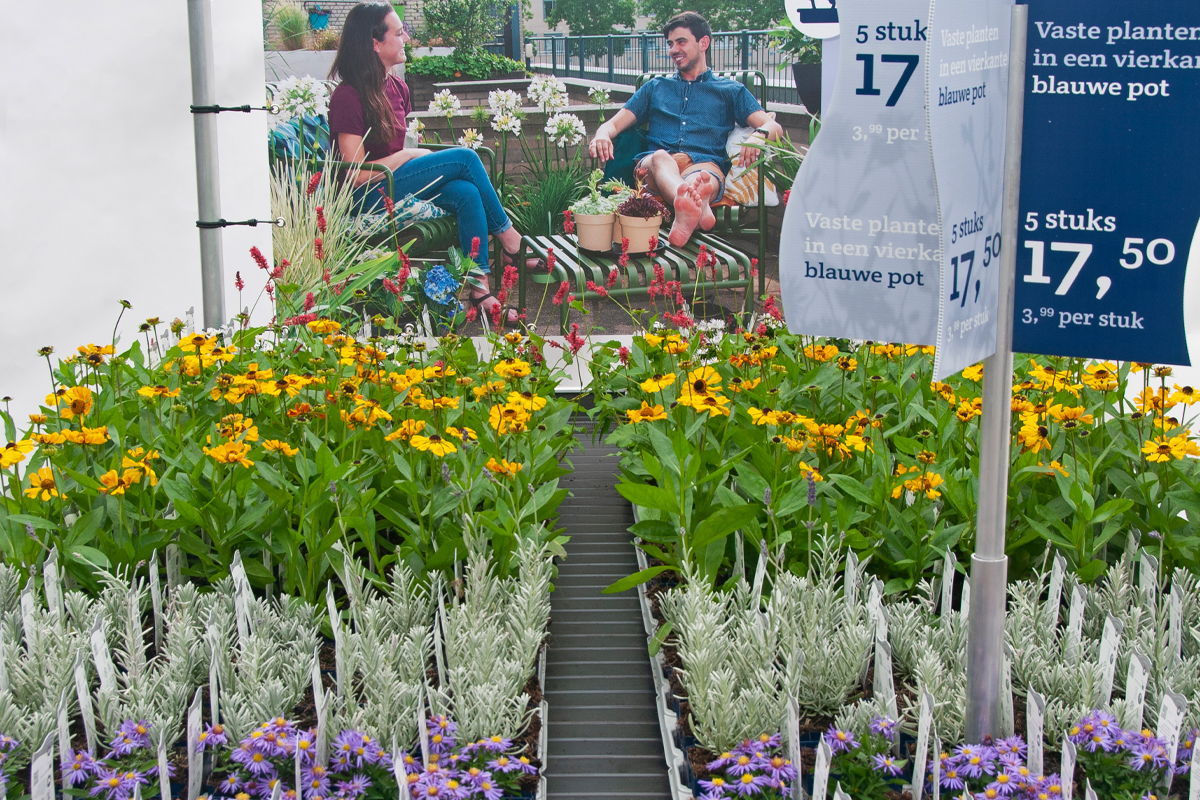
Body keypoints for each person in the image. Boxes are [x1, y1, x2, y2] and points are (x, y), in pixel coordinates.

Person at [327, 2, 520, 321]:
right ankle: (510, 239)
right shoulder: (348, 96)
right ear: (375, 43)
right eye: (399, 32)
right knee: (466, 158)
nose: (406, 39)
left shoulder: (397, 87)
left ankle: (479, 287)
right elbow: (357, 175)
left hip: (398, 186)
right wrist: (409, 155)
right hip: (370, 198)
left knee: (466, 193)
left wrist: (413, 158)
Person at [588, 12, 783, 246]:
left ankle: (689, 204)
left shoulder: (731, 91)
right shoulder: (655, 88)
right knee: (661, 158)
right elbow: (613, 124)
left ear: (704, 43)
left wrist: (760, 136)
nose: (673, 49)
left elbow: (773, 127)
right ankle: (693, 207)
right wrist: (602, 134)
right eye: (670, 44)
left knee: (703, 181)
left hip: (705, 164)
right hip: (656, 168)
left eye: (681, 42)